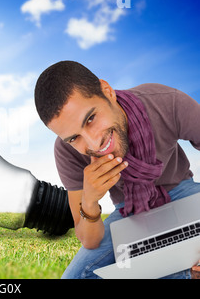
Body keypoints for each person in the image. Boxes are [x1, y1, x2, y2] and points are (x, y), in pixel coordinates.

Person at [34, 60, 200, 279]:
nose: (94, 144)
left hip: (181, 191)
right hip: (128, 210)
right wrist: (90, 201)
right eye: (74, 137)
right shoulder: (67, 152)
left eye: (91, 118)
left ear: (107, 91)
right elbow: (90, 240)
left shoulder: (165, 102)